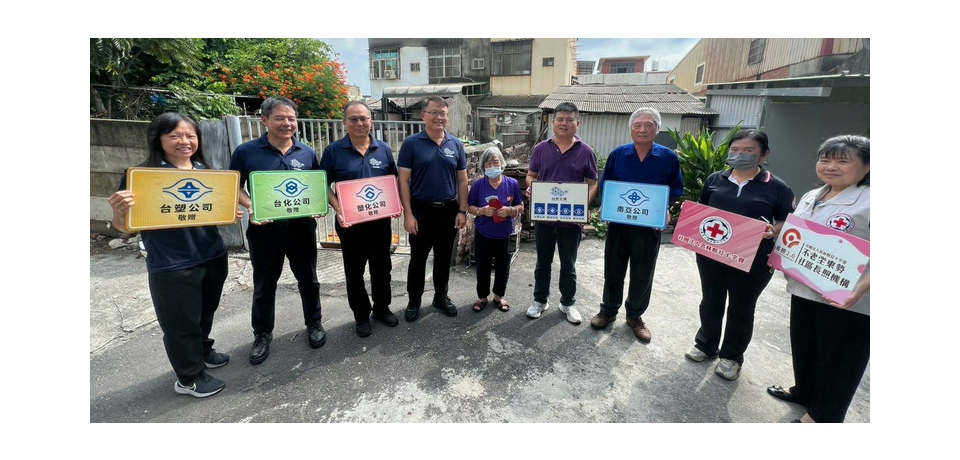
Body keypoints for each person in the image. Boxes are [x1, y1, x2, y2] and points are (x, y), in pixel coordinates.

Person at [108, 112, 241, 398]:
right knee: (180, 323)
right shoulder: (143, 177)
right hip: (171, 263)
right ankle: (188, 378)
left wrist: (231, 212)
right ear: (159, 139)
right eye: (176, 135)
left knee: (205, 311)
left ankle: (202, 351)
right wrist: (119, 211)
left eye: (191, 136)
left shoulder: (206, 172)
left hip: (212, 255)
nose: (185, 141)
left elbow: (213, 213)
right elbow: (123, 229)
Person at [767, 135, 870, 423]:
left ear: (868, 167)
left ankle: (823, 416)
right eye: (825, 159)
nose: (830, 166)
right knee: (806, 344)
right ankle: (805, 391)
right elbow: (798, 234)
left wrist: (863, 286)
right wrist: (778, 251)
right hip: (806, 287)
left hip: (849, 297)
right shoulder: (814, 195)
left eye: (843, 161)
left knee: (840, 359)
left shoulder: (871, 201)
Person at [684, 130, 795, 380]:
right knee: (711, 300)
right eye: (735, 150)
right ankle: (706, 345)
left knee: (741, 308)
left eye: (748, 151)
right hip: (712, 253)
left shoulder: (777, 187)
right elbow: (703, 209)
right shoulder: (715, 179)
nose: (740, 155)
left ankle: (731, 357)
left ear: (764, 154)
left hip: (753, 258)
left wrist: (772, 230)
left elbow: (786, 221)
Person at [229, 96, 325, 365]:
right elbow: (233, 187)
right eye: (280, 118)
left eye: (291, 118)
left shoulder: (307, 153)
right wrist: (252, 207)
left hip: (301, 229)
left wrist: (317, 203)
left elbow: (315, 186)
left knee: (309, 280)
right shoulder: (246, 152)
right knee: (264, 285)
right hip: (264, 232)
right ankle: (261, 334)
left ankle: (314, 323)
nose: (287, 123)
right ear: (265, 120)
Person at [589, 107, 683, 343]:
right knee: (613, 269)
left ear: (657, 129)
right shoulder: (618, 155)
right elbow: (606, 185)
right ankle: (608, 311)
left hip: (648, 227)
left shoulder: (669, 158)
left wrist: (666, 210)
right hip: (619, 224)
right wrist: (605, 206)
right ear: (631, 129)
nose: (642, 129)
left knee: (643, 273)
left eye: (648, 125)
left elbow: (675, 190)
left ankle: (635, 316)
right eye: (637, 125)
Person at [319, 101, 400, 338]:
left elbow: (392, 182)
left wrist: (395, 205)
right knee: (354, 272)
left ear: (371, 121)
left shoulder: (383, 149)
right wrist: (338, 208)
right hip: (350, 225)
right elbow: (322, 184)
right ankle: (361, 315)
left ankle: (382, 309)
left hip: (379, 224)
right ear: (345, 122)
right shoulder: (334, 151)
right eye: (353, 119)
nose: (359, 123)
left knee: (382, 268)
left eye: (363, 118)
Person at [525, 102, 599, 325]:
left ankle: (568, 302)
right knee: (542, 262)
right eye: (560, 119)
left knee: (569, 264)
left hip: (571, 222)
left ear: (577, 123)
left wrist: (581, 208)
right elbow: (531, 175)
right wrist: (531, 187)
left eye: (569, 119)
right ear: (552, 122)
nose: (564, 123)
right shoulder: (541, 149)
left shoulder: (586, 152)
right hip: (545, 219)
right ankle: (540, 300)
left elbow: (593, 183)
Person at [397, 96, 469, 322]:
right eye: (434, 112)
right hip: (421, 210)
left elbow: (463, 181)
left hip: (448, 210)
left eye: (443, 113)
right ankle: (414, 301)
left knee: (443, 258)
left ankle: (440, 296)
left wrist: (462, 211)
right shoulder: (412, 143)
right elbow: (403, 181)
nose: (439, 117)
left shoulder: (455, 144)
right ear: (424, 115)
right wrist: (408, 214)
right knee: (418, 259)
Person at [467, 146, 524, 313]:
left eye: (496, 162)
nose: (492, 166)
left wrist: (511, 210)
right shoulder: (478, 185)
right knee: (482, 266)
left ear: (502, 164)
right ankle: (482, 297)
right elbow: (470, 206)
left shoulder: (511, 184)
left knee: (503, 266)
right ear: (483, 167)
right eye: (488, 164)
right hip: (483, 233)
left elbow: (520, 206)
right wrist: (481, 211)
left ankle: (499, 296)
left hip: (504, 233)